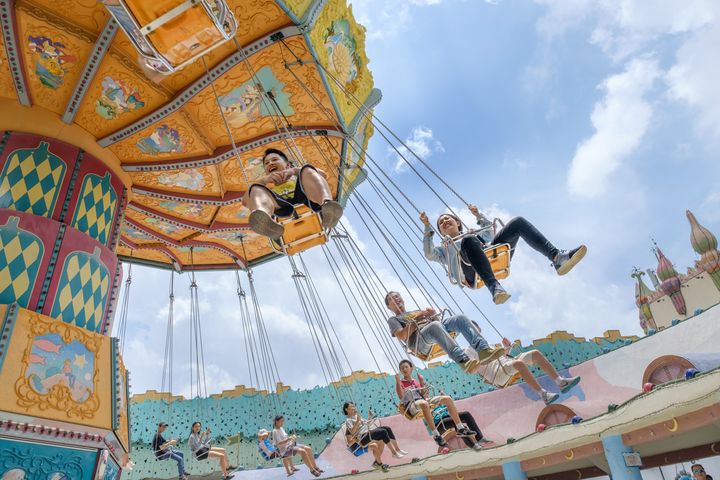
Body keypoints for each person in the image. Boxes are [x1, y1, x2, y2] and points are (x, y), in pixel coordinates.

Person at [421, 205, 587, 304]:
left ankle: (557, 257)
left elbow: (490, 232)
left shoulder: (475, 234)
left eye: (447, 218)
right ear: (442, 233)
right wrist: (428, 228)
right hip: (471, 273)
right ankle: (494, 287)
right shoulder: (444, 251)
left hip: (494, 256)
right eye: (441, 223)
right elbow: (429, 254)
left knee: (517, 222)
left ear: (457, 222)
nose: (444, 222)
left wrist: (477, 215)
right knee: (468, 241)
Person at [385, 291, 503, 373]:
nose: (395, 299)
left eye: (396, 296)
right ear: (389, 307)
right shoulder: (394, 320)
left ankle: (483, 350)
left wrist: (432, 315)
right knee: (434, 326)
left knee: (460, 318)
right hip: (419, 342)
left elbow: (437, 324)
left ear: (402, 299)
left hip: (433, 331)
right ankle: (463, 360)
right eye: (391, 299)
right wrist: (420, 317)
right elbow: (402, 335)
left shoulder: (416, 311)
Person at [242, 148, 343, 239]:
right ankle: (264, 220)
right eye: (266, 163)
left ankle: (327, 205)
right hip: (281, 209)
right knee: (255, 188)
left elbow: (322, 174)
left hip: (307, 200)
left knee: (307, 169)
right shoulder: (268, 193)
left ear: (288, 165)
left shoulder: (302, 179)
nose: (270, 163)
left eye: (275, 160)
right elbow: (245, 201)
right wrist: (263, 180)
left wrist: (294, 171)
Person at [473, 338, 581, 404]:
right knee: (519, 364)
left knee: (535, 353)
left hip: (507, 363)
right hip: (497, 374)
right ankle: (544, 395)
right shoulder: (469, 350)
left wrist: (507, 347)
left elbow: (502, 356)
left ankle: (561, 382)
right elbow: (472, 369)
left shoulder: (488, 345)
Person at [395, 359, 476, 448]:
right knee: (424, 403)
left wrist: (421, 382)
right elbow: (401, 396)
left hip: (422, 401)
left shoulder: (415, 381)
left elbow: (424, 396)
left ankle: (460, 428)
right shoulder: (401, 383)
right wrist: (398, 382)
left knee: (447, 399)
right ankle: (436, 435)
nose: (404, 369)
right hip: (412, 405)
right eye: (402, 368)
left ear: (411, 368)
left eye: (406, 367)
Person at [343, 401, 408, 470]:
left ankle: (397, 449)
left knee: (387, 428)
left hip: (367, 433)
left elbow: (367, 424)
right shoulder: (348, 420)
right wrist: (357, 422)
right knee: (382, 432)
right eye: (351, 406)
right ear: (346, 409)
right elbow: (352, 432)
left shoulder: (358, 417)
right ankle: (394, 453)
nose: (353, 407)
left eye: (353, 406)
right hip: (362, 437)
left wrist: (370, 417)